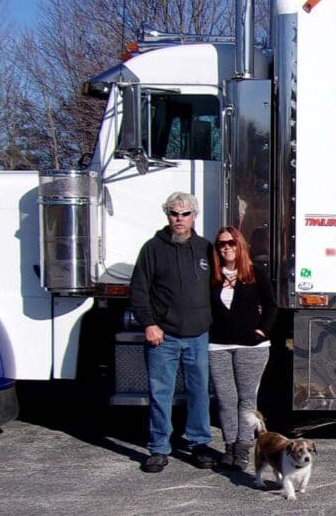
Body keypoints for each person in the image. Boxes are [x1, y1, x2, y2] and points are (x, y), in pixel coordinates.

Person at [129, 191, 216, 473]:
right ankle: (158, 448)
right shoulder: (152, 248)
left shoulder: (205, 248)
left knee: (199, 392)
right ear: (167, 216)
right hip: (162, 337)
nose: (179, 219)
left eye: (185, 214)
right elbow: (139, 291)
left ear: (194, 216)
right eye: (174, 213)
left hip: (198, 336)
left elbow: (219, 287)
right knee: (160, 393)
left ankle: (199, 443)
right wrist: (149, 324)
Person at [207, 225, 278, 470]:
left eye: (231, 243)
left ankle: (243, 448)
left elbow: (271, 306)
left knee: (246, 399)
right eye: (221, 244)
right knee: (226, 399)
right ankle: (229, 446)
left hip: (251, 347)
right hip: (218, 346)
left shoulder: (256, 273)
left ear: (240, 245)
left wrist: (262, 331)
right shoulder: (212, 277)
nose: (226, 247)